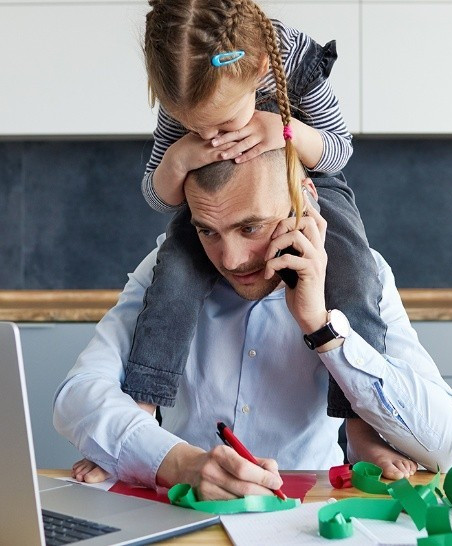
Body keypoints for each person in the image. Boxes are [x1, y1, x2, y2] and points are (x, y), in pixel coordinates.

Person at [54, 150, 452, 499]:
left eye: (250, 227)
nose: (230, 258)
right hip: (185, 515)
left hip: (312, 516)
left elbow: (444, 444)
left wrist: (323, 329)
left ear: (302, 198)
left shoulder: (362, 274)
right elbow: (77, 397)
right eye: (208, 231)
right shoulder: (167, 273)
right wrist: (177, 464)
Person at [123, 0, 385, 423]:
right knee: (174, 275)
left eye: (222, 125)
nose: (209, 137)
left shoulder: (294, 59)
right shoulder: (185, 83)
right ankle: (141, 405)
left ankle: (361, 423)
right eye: (195, 128)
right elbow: (159, 197)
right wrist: (179, 158)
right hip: (217, 202)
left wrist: (284, 132)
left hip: (307, 173)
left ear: (261, 70)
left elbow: (338, 150)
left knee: (353, 272)